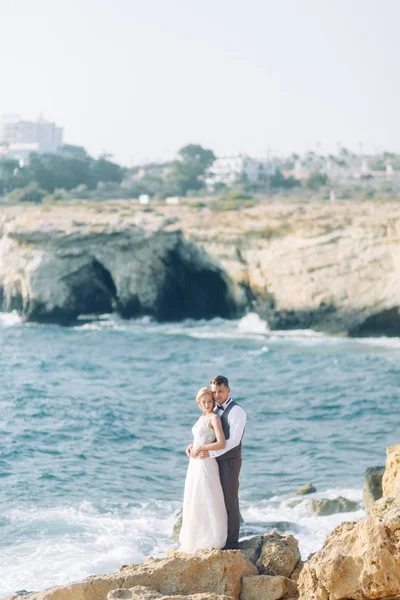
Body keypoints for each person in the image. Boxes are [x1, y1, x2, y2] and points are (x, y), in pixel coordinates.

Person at [188, 375, 246, 550]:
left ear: (228, 389)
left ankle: (232, 543)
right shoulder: (213, 410)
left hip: (229, 461)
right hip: (212, 461)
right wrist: (193, 447)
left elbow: (234, 440)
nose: (217, 395)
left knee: (229, 500)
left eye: (220, 391)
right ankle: (214, 536)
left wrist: (208, 452)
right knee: (213, 499)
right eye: (215, 391)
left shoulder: (237, 411)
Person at [179, 387, 228, 553]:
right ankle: (196, 537)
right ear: (199, 403)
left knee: (208, 497)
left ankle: (213, 537)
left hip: (206, 461)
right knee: (194, 498)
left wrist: (202, 447)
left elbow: (221, 443)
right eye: (204, 402)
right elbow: (198, 438)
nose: (207, 404)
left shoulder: (214, 418)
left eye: (209, 401)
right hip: (195, 462)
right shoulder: (201, 418)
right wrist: (191, 446)